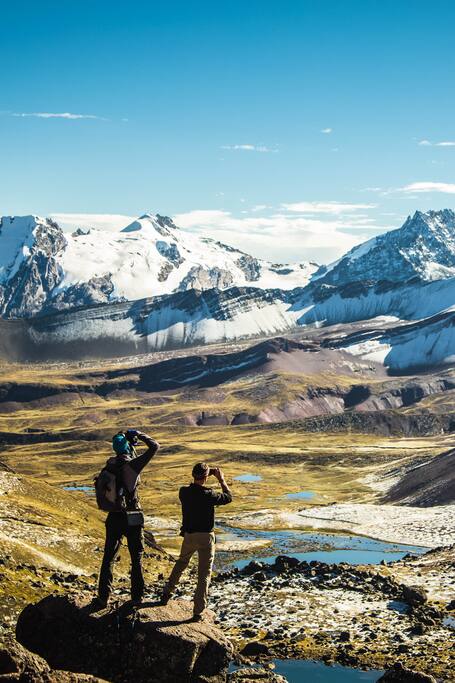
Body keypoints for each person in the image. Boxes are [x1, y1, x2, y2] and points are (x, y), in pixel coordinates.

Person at [96, 430, 160, 607]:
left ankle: (103, 597)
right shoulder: (132, 466)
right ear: (128, 447)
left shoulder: (109, 465)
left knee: (109, 557)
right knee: (136, 558)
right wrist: (139, 434)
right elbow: (155, 446)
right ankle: (137, 597)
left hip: (113, 517)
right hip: (132, 517)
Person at [161, 462, 232, 621]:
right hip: (206, 537)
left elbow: (195, 488)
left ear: (193, 475)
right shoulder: (209, 495)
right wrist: (221, 479)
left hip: (189, 536)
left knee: (181, 563)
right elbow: (228, 497)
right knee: (204, 574)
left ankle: (166, 594)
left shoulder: (184, 492)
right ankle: (198, 612)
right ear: (206, 477)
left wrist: (206, 474)